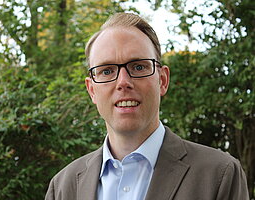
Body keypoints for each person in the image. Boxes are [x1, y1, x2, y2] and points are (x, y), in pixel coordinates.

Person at [45, 13, 249, 200]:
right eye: (106, 71)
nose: (123, 82)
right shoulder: (63, 187)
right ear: (91, 90)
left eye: (138, 67)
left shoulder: (219, 174)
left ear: (162, 80)